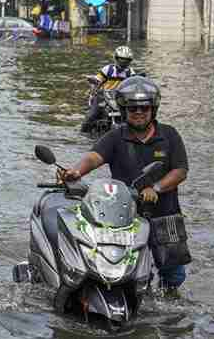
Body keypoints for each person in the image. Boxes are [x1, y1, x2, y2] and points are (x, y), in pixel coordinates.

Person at [60, 77, 190, 293]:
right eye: (132, 108)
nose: (138, 112)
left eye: (144, 108)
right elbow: (94, 157)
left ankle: (169, 299)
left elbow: (180, 170)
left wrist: (156, 188)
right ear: (123, 110)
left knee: (174, 275)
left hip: (164, 213)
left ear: (153, 109)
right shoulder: (115, 136)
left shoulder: (169, 135)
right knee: (130, 270)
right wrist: (76, 172)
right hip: (125, 216)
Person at [81, 46, 136, 132]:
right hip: (103, 97)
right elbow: (98, 79)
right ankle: (83, 133)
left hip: (121, 99)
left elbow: (133, 85)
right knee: (91, 116)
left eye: (126, 61)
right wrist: (93, 80)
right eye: (121, 60)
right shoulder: (108, 69)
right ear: (116, 59)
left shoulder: (130, 72)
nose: (123, 63)